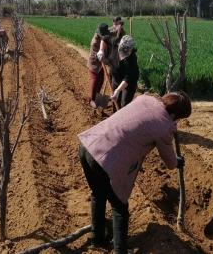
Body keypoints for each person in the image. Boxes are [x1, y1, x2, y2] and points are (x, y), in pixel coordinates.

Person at [78, 92, 191, 253]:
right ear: (174, 115)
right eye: (179, 118)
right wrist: (177, 160)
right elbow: (171, 163)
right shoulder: (164, 126)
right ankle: (120, 250)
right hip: (104, 158)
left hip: (87, 145)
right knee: (119, 207)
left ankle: (97, 239)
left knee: (98, 194)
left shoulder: (146, 98)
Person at [110, 35, 139, 108]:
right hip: (116, 78)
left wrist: (118, 90)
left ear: (131, 50)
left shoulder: (132, 60)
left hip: (128, 84)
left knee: (124, 104)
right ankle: (115, 115)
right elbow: (104, 38)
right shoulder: (115, 45)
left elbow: (127, 78)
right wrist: (101, 50)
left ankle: (122, 117)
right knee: (115, 100)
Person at [88, 23, 111, 109]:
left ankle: (97, 97)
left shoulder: (101, 37)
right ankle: (91, 100)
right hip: (94, 63)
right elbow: (98, 55)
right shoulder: (95, 42)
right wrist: (108, 62)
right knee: (94, 80)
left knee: (101, 80)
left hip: (100, 64)